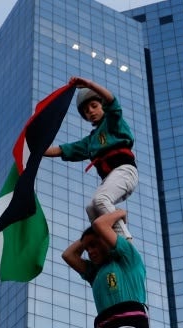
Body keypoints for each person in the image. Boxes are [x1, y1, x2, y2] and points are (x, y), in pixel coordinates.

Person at [45, 76, 137, 240]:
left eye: (94, 106)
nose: (91, 112)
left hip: (124, 171)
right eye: (87, 111)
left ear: (102, 105)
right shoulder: (91, 141)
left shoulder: (112, 122)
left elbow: (111, 100)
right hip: (111, 177)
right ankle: (108, 243)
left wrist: (88, 84)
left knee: (100, 199)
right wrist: (37, 151)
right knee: (91, 208)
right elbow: (61, 150)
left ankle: (125, 241)